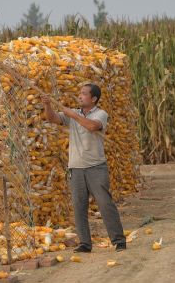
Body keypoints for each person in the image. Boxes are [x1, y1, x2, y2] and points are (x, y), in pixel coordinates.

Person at [41, 83, 127, 252]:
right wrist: (47, 105)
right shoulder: (74, 114)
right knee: (79, 206)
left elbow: (92, 126)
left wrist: (73, 114)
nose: (79, 96)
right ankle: (85, 243)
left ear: (93, 99)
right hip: (76, 167)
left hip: (96, 167)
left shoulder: (101, 114)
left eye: (84, 94)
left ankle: (118, 240)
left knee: (105, 204)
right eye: (79, 93)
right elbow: (52, 119)